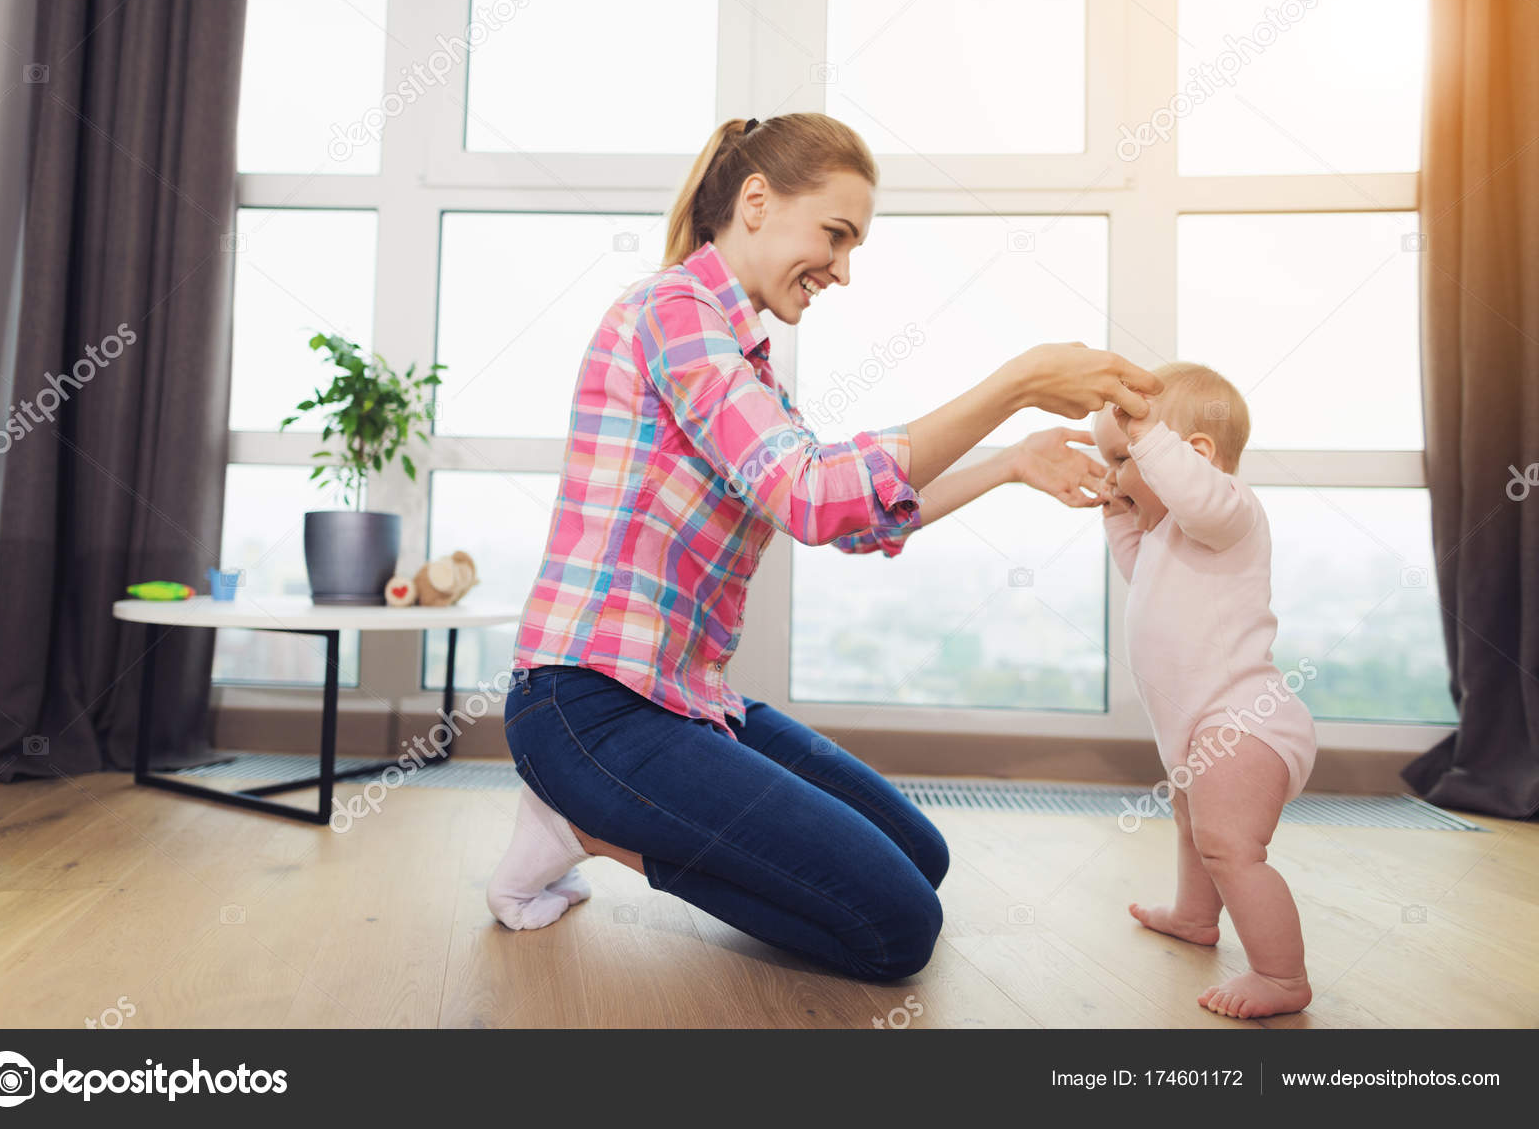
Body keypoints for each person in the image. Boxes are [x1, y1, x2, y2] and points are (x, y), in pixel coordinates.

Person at [486, 112, 1162, 983]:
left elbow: (856, 513)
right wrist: (1018, 384)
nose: (842, 271)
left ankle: (611, 817)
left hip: (686, 699)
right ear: (757, 202)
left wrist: (1007, 464)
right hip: (588, 708)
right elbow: (807, 495)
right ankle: (581, 827)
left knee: (923, 858)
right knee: (895, 930)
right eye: (835, 236)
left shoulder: (747, 363)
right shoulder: (675, 312)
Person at [1094, 361, 1316, 1017]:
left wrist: (1149, 440)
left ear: (1192, 456)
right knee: (1194, 827)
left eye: (1123, 456)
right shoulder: (1171, 535)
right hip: (1206, 727)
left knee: (1230, 847)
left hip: (1246, 723)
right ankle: (1195, 916)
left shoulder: (1229, 511)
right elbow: (1144, 573)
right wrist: (1117, 514)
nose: (1113, 471)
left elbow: (1199, 497)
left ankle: (1281, 976)